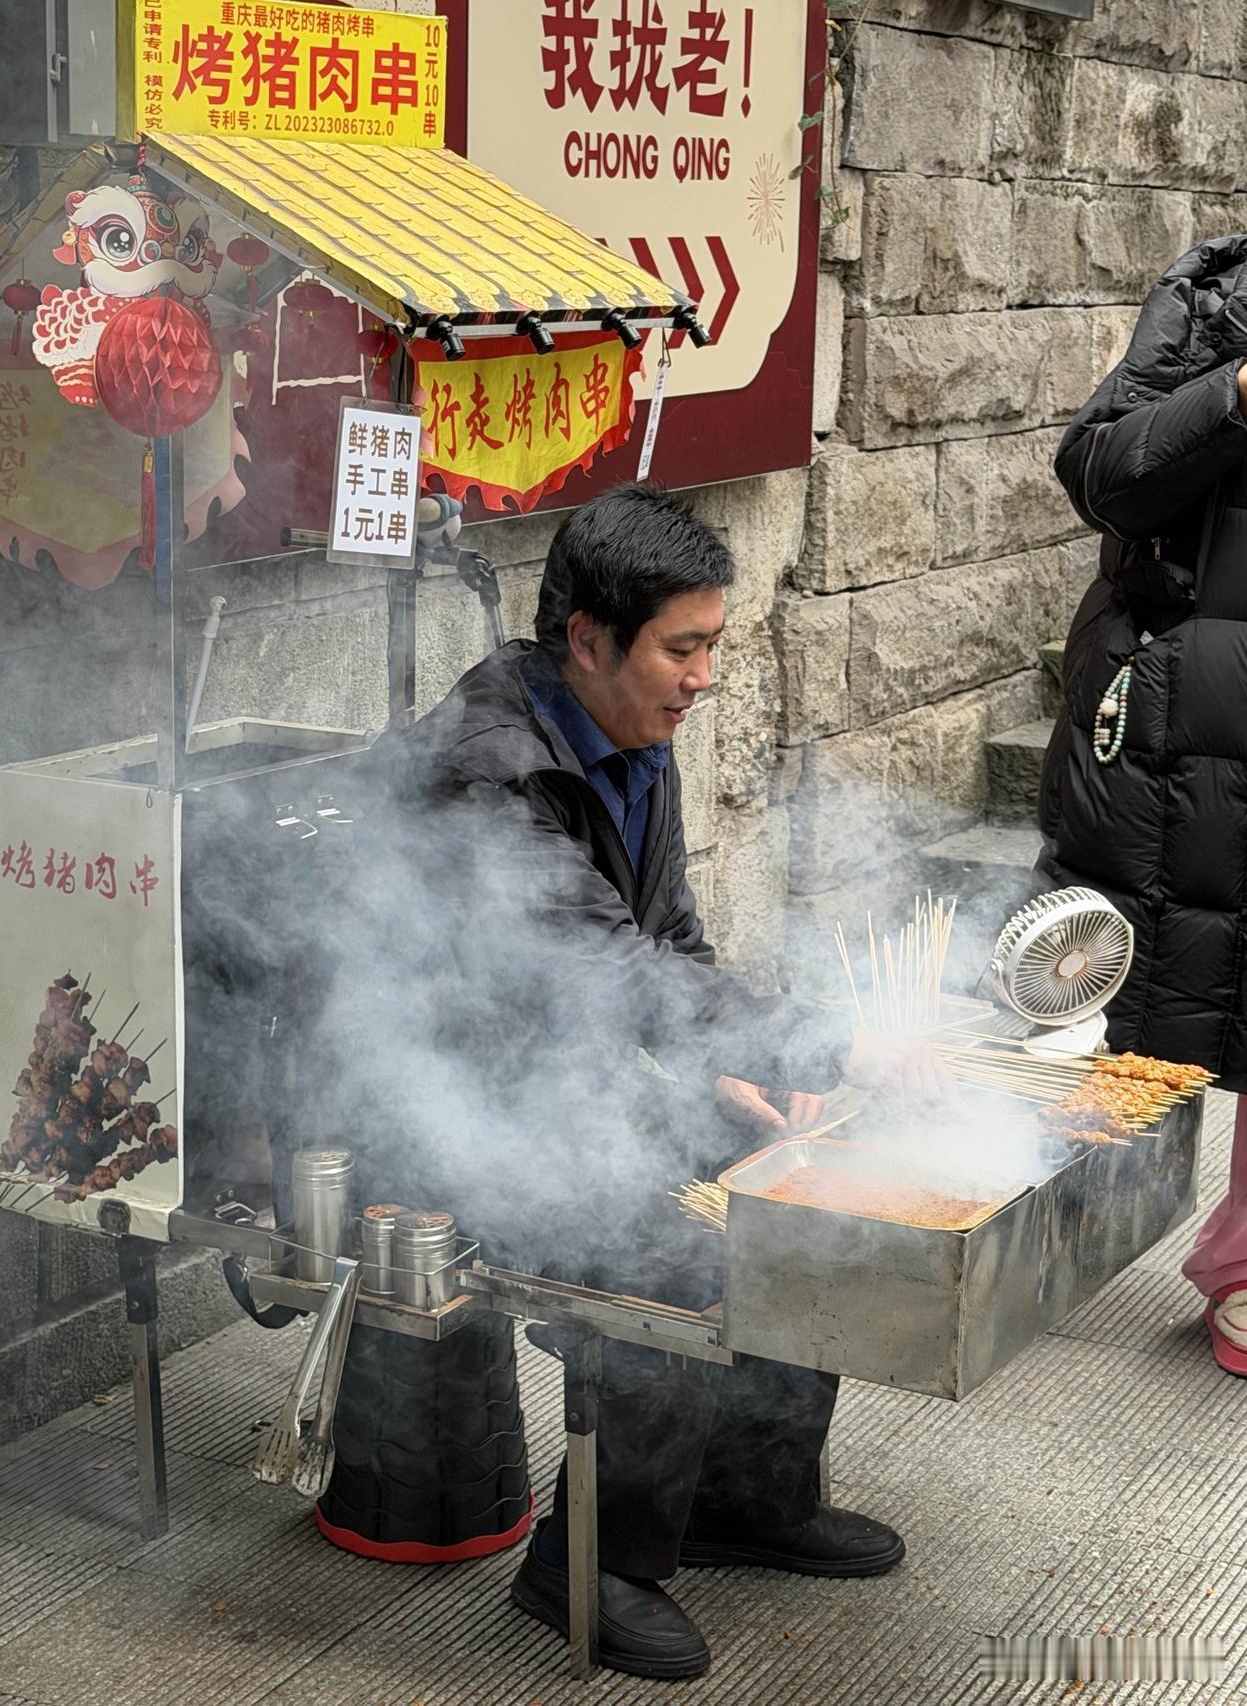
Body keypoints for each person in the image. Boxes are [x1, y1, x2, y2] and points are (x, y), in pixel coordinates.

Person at [366, 484, 950, 1681]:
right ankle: (584, 1559)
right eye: (680, 649)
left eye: (710, 648)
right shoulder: (490, 771)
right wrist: (823, 1046)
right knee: (671, 1253)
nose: (699, 678)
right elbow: (602, 970)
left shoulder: (632, 731)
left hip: (574, 1065)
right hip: (450, 1106)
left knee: (791, 1182)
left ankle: (745, 1497)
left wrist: (742, 1078)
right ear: (587, 638)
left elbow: (668, 941)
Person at [1041, 235, 1247, 1378]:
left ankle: (1241, 1268)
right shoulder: (1210, 298)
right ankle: (1036, 1216)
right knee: (1117, 981)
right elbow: (1097, 470)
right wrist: (1233, 392)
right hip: (1177, 728)